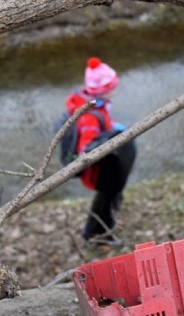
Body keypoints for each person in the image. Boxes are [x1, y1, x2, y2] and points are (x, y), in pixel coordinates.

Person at [65, 57, 137, 246]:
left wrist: (112, 128)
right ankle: (96, 235)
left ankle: (106, 224)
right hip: (99, 173)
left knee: (109, 199)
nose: (116, 89)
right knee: (104, 202)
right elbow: (85, 150)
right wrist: (109, 138)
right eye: (113, 86)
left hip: (106, 169)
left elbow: (103, 125)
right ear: (103, 89)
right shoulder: (89, 116)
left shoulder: (97, 104)